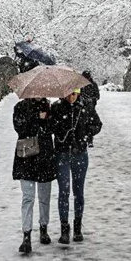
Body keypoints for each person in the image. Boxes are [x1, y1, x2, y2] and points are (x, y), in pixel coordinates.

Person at [51, 88, 102, 244]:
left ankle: (78, 226)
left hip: (79, 153)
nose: (71, 97)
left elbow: (97, 125)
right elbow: (51, 127)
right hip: (62, 154)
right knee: (64, 191)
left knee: (78, 191)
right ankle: (64, 229)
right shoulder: (57, 107)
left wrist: (85, 135)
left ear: (78, 93)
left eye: (74, 94)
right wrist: (62, 130)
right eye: (68, 94)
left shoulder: (86, 106)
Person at [12, 97, 57, 254]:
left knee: (44, 197)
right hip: (26, 158)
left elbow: (52, 129)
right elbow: (20, 129)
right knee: (28, 198)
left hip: (44, 157)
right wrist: (36, 118)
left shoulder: (49, 107)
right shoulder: (20, 107)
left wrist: (45, 121)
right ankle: (26, 235)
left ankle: (43, 227)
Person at [80, 71, 100, 147]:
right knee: (82, 123)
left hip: (90, 108)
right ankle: (83, 139)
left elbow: (97, 96)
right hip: (81, 107)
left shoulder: (93, 85)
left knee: (90, 123)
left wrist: (91, 100)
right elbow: (78, 94)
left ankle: (89, 140)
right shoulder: (80, 85)